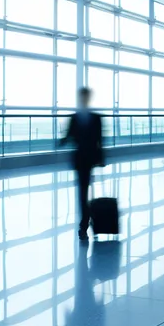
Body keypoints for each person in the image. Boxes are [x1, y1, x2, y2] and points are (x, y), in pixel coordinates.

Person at [61, 87, 104, 242]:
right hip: (82, 159)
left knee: (83, 191)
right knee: (83, 192)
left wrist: (101, 157)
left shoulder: (87, 118)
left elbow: (100, 139)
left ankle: (85, 223)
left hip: (87, 158)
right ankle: (85, 222)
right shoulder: (84, 118)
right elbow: (68, 136)